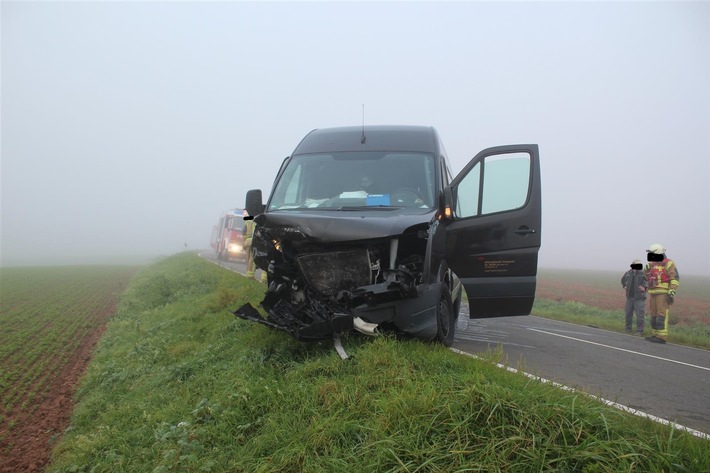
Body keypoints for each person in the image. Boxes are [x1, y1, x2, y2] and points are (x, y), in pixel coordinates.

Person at [644, 243, 679, 344]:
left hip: (663, 293)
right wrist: (646, 269)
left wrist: (672, 290)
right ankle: (655, 334)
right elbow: (646, 276)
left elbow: (675, 277)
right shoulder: (653, 264)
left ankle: (662, 336)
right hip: (653, 292)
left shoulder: (668, 263)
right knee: (654, 314)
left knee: (661, 314)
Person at [621, 258, 646, 335]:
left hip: (639, 298)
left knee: (640, 315)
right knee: (628, 314)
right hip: (629, 297)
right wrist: (624, 286)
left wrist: (645, 288)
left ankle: (639, 331)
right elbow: (622, 280)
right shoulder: (628, 273)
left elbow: (648, 281)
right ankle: (628, 329)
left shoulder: (643, 273)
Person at [243, 211, 267, 283]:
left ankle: (249, 274)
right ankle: (264, 278)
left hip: (248, 242)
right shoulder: (260, 220)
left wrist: (244, 243)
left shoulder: (247, 221)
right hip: (256, 241)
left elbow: (243, 233)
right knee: (263, 258)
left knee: (249, 258)